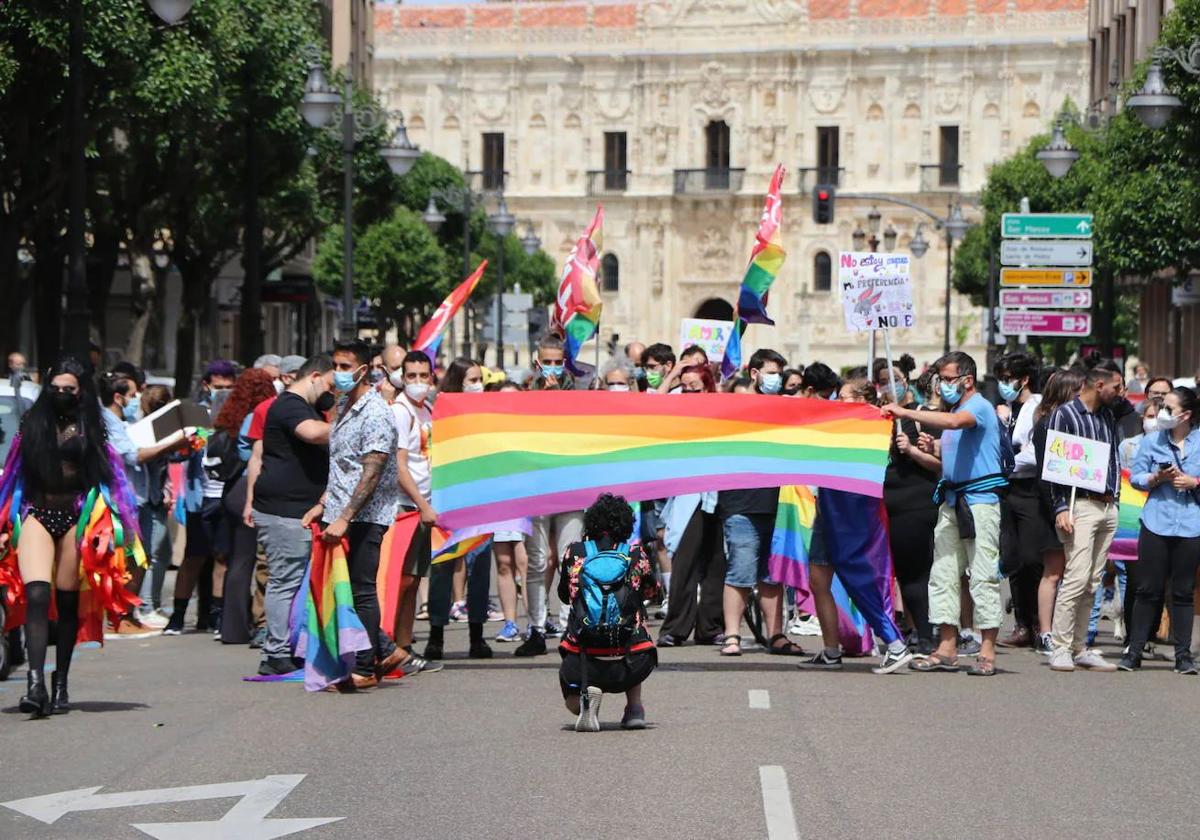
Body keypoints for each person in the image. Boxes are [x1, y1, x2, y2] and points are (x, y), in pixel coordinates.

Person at [0, 357, 142, 718]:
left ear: (81, 392)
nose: (61, 394)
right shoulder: (32, 423)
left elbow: (112, 480)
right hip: (37, 512)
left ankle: (60, 681)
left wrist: (114, 529)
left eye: (69, 389)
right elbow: (13, 474)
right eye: (56, 388)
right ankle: (35, 684)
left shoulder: (93, 427)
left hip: (76, 517)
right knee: (35, 593)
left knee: (66, 603)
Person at [882, 352, 1005, 676]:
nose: (943, 385)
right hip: (952, 501)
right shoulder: (955, 415)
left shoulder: (976, 407)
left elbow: (953, 423)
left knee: (982, 576)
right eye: (940, 379)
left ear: (967, 379)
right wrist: (931, 449)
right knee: (944, 574)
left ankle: (988, 651)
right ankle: (946, 647)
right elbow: (949, 460)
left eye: (948, 379)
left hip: (979, 502)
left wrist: (904, 410)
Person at [797, 371, 913, 674]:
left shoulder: (868, 429)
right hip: (828, 510)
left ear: (861, 400)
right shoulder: (839, 425)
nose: (837, 401)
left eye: (844, 397)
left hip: (850, 515)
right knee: (818, 580)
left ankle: (895, 644)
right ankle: (831, 650)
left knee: (854, 575)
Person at [315, 340, 405, 689]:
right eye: (334, 365)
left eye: (344, 366)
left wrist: (345, 517)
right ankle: (382, 650)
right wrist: (323, 503)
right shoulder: (343, 404)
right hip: (339, 509)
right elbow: (343, 465)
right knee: (342, 589)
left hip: (366, 515)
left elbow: (372, 471)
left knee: (361, 589)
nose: (337, 373)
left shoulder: (376, 412)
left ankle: (367, 666)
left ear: (363, 370)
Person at [250, 355, 335, 675]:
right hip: (284, 510)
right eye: (329, 383)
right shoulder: (289, 405)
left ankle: (286, 646)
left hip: (299, 508)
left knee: (292, 580)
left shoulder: (310, 406)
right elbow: (313, 433)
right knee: (284, 581)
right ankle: (275, 653)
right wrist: (353, 424)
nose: (332, 392)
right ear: (314, 376)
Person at [1044, 362, 1124, 673]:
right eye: (1116, 386)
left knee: (1093, 581)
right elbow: (1055, 465)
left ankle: (1080, 646)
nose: (1120, 392)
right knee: (1075, 579)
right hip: (1082, 506)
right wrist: (1061, 507)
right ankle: (1060, 647)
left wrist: (1115, 499)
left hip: (1107, 505)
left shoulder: (1107, 414)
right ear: (1099, 385)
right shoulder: (1065, 414)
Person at [98, 372, 192, 635]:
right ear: (118, 397)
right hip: (123, 499)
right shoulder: (110, 423)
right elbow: (133, 456)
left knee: (140, 558)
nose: (136, 399)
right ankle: (120, 616)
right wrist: (172, 443)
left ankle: (128, 613)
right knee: (131, 559)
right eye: (131, 395)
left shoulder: (126, 421)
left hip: (138, 498)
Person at [557, 493, 660, 732]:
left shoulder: (574, 553)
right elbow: (652, 592)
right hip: (632, 662)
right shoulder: (635, 554)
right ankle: (634, 708)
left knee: (572, 685)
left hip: (581, 661)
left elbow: (564, 594)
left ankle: (584, 700)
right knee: (635, 622)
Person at [718, 349, 792, 657]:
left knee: (773, 576)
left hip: (779, 503)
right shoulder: (733, 408)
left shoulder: (786, 410)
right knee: (741, 571)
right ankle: (732, 635)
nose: (776, 379)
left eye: (779, 373)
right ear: (755, 374)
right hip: (741, 505)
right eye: (771, 372)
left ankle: (776, 635)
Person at [1121, 387, 1200, 673]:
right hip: (1156, 522)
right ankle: (1134, 652)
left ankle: (1183, 657)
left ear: (1186, 414)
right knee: (1147, 589)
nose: (1163, 414)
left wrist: (1195, 482)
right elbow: (1136, 477)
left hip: (1191, 525)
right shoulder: (1152, 441)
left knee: (1183, 591)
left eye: (1169, 408)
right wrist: (1156, 477)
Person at [421, 356, 494, 661]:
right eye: (472, 379)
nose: (478, 386)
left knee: (479, 568)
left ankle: (477, 636)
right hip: (447, 499)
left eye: (480, 380)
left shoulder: (488, 414)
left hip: (480, 499)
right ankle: (436, 635)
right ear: (457, 381)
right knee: (442, 566)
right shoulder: (438, 413)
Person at [874, 359, 941, 656]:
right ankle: (915, 630)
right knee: (903, 573)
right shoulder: (875, 420)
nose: (891, 385)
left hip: (917, 506)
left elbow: (940, 465)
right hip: (888, 508)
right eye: (883, 380)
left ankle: (928, 635)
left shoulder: (922, 417)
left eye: (896, 378)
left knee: (918, 574)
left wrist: (912, 450)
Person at [657, 367, 724, 648]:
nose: (689, 392)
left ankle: (710, 626)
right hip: (689, 496)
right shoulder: (676, 415)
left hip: (720, 494)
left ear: (707, 388)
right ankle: (675, 627)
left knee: (716, 561)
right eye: (684, 387)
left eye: (694, 387)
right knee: (684, 561)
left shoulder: (722, 414)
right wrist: (671, 376)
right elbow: (653, 409)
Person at [993, 352, 1043, 648]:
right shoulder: (1004, 409)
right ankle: (1022, 624)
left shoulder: (1036, 407)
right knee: (1012, 558)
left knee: (1031, 558)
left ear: (1023, 379)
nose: (1003, 384)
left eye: (1007, 378)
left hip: (1029, 489)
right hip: (1006, 489)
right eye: (1000, 378)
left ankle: (1038, 621)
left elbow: (1034, 454)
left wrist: (1007, 461)